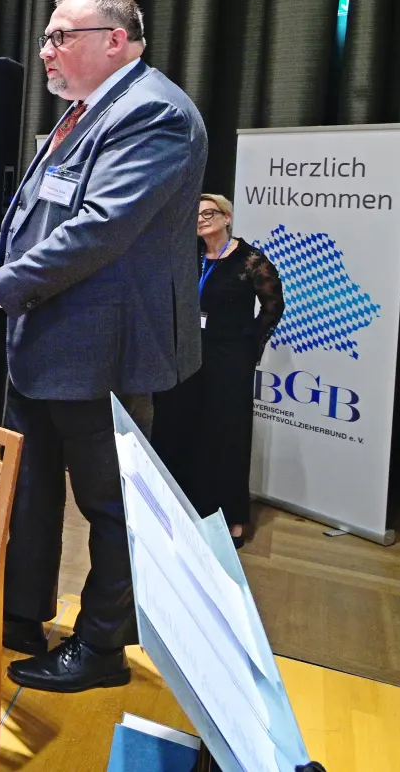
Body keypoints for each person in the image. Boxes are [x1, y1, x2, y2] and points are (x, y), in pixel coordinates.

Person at [0, 0, 206, 694]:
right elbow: (37, 213)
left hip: (104, 347)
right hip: (46, 339)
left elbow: (102, 226)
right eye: (47, 37)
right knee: (31, 493)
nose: (46, 51)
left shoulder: (154, 114)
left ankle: (102, 647)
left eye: (61, 36)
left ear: (115, 38)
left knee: (111, 507)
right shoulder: (83, 113)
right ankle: (20, 617)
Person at [152, 195, 283, 548]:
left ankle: (232, 517)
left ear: (226, 217)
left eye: (209, 213)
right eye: (195, 215)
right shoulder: (190, 256)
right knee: (183, 427)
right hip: (189, 356)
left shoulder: (251, 260)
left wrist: (249, 346)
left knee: (226, 433)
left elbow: (273, 306)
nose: (201, 220)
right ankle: (187, 508)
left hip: (229, 359)